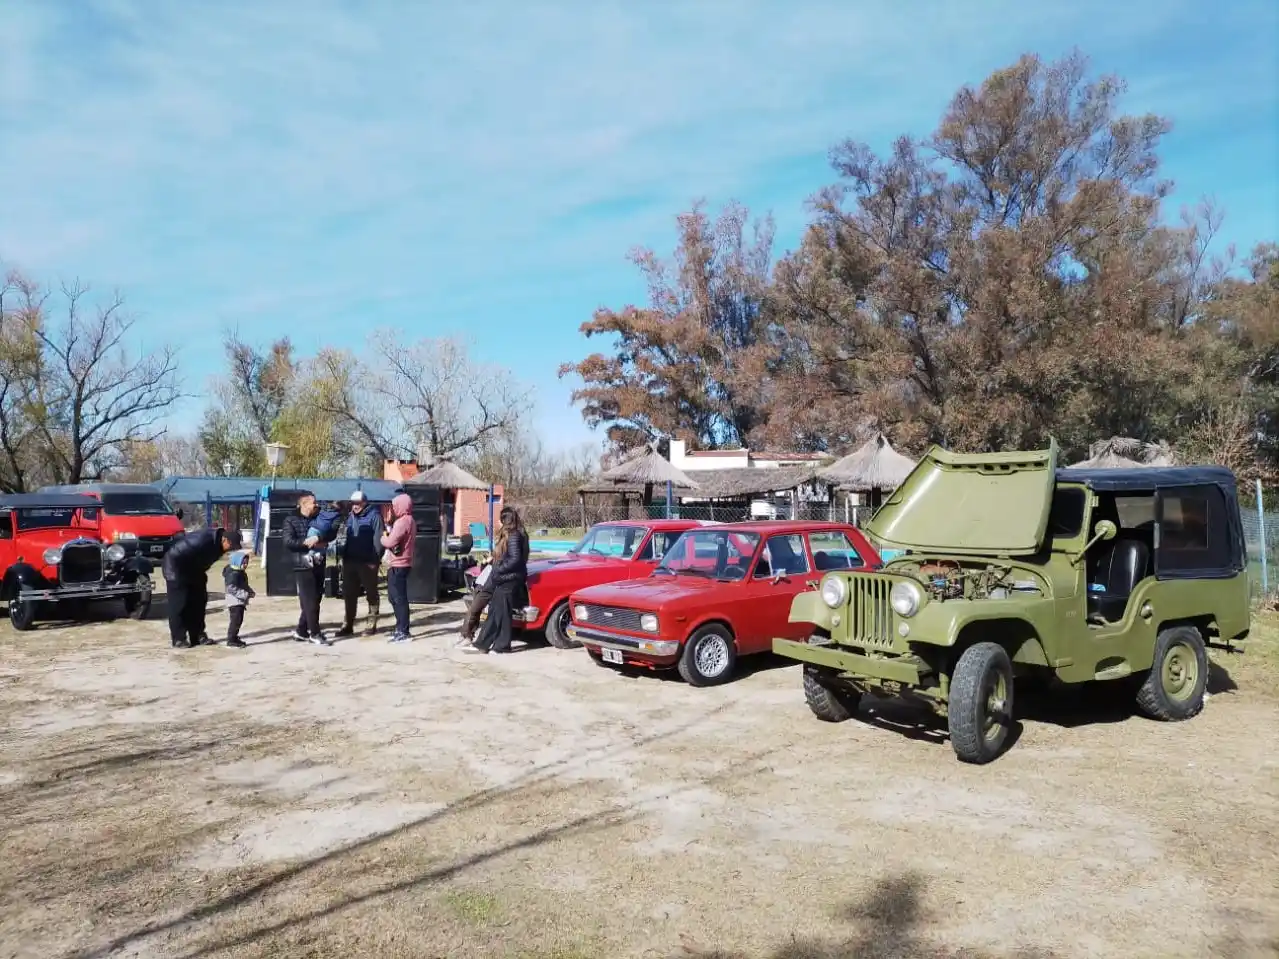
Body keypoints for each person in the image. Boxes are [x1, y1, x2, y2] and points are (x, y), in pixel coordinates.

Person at [161, 526, 243, 649]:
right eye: (231, 546)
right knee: (180, 604)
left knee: (199, 601)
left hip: (194, 569)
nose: (231, 550)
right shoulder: (203, 540)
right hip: (176, 568)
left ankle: (198, 635)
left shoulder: (217, 544)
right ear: (225, 540)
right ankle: (178, 639)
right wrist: (185, 578)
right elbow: (179, 555)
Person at [468, 507, 528, 655]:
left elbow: (515, 559)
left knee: (498, 612)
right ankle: (498, 644)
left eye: (500, 519)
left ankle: (488, 644)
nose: (498, 522)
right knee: (500, 611)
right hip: (508, 577)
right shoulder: (517, 533)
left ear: (505, 519)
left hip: (509, 578)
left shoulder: (514, 535)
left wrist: (498, 568)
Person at [282, 492, 337, 645]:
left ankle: (301, 631)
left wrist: (320, 539)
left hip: (319, 562)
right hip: (302, 564)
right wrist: (307, 542)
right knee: (310, 600)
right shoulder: (290, 520)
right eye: (313, 503)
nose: (316, 505)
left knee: (316, 599)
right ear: (304, 505)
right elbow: (288, 542)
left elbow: (331, 532)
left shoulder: (320, 517)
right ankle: (315, 633)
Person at [335, 490, 384, 638]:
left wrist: (375, 560)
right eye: (353, 503)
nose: (355, 506)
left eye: (358, 503)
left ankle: (371, 623)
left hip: (368, 562)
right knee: (349, 594)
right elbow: (342, 536)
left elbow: (378, 541)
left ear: (364, 502)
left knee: (371, 593)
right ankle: (348, 624)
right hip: (349, 561)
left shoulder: (374, 516)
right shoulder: (348, 517)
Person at [379, 492, 416, 643]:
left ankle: (403, 631)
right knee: (393, 597)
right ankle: (399, 627)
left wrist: (382, 537)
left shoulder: (403, 522)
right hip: (400, 563)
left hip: (399, 564)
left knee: (399, 598)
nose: (393, 509)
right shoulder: (409, 520)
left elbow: (389, 542)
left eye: (395, 506)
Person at [221, 550, 255, 648]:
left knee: (238, 620)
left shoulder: (239, 572)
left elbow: (244, 585)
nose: (245, 565)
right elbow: (231, 588)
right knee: (236, 621)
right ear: (237, 562)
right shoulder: (234, 574)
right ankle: (231, 640)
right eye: (243, 562)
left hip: (239, 601)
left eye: (246, 563)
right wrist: (245, 594)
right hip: (234, 602)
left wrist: (250, 591)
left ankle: (234, 637)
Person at [305, 501, 343, 567]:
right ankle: (316, 555)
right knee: (327, 546)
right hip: (322, 532)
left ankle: (312, 555)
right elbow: (333, 529)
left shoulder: (322, 509)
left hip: (311, 529)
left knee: (314, 546)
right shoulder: (338, 515)